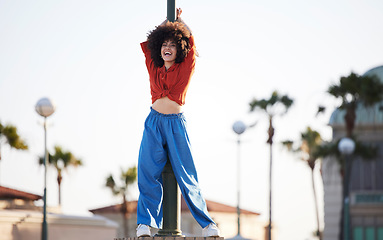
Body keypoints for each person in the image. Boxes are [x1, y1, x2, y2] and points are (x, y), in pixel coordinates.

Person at [136, 8, 220, 238]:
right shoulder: (153, 65)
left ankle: (207, 225)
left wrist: (180, 21)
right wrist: (167, 23)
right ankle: (145, 224)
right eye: (164, 44)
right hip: (153, 124)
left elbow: (191, 43)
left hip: (175, 125)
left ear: (179, 49)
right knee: (147, 171)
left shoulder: (186, 67)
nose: (167, 48)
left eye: (172, 45)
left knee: (186, 173)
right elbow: (150, 40)